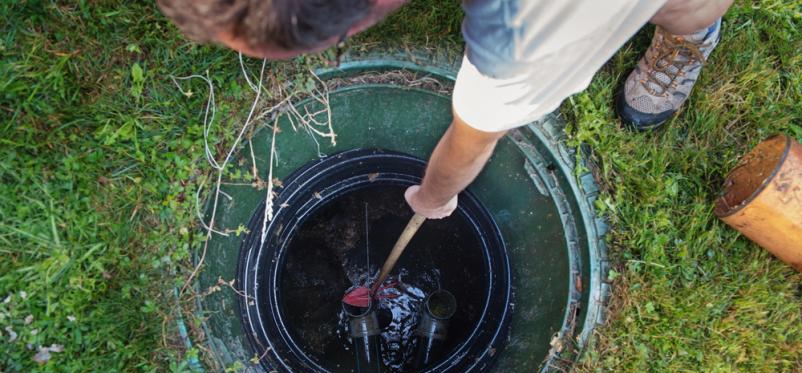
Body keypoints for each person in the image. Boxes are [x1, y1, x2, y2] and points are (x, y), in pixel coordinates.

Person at [158, 0, 733, 219]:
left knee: (682, 6)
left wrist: (432, 197)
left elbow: (476, 137)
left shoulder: (521, 32)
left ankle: (692, 28)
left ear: (362, 18)